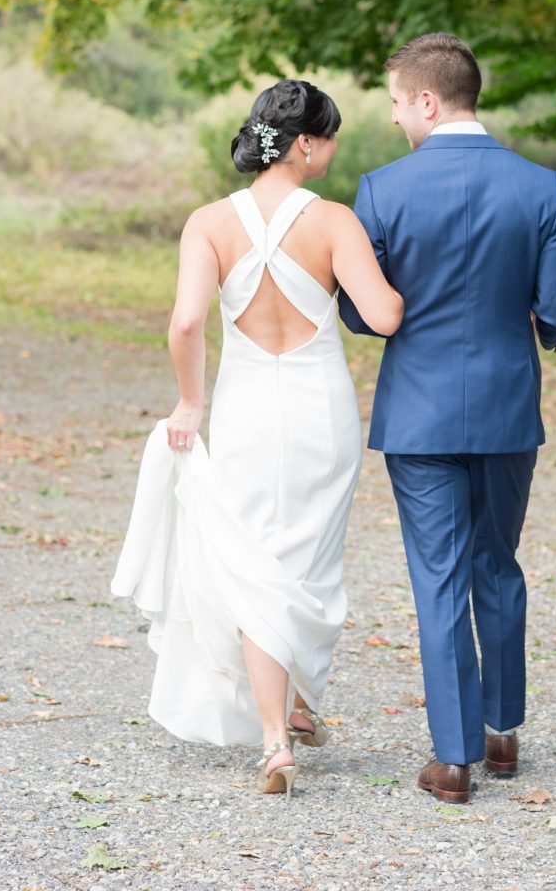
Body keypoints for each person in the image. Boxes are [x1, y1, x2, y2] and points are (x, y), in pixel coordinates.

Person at [112, 79, 403, 799]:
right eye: (329, 137)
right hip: (317, 409)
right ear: (305, 144)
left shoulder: (208, 221)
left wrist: (189, 401)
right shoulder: (334, 222)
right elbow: (385, 315)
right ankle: (289, 719)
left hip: (244, 407)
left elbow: (184, 324)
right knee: (307, 559)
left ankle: (281, 731)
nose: (333, 150)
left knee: (252, 559)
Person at [338, 33, 556, 804]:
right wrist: (538, 329)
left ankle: (452, 760)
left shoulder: (382, 190)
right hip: (509, 409)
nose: (393, 121)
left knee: (437, 577)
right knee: (496, 564)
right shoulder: (540, 187)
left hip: (418, 415)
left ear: (427, 100)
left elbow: (361, 310)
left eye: (395, 105)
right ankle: (501, 731)